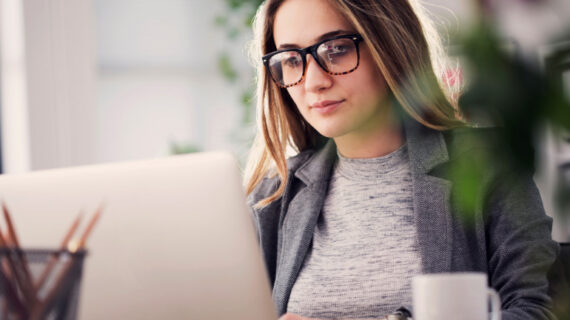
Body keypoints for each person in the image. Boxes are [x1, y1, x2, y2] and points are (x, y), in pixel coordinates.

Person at [243, 0, 560, 319]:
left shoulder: (486, 164)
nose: (313, 82)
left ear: (389, 45)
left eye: (336, 49)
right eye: (291, 59)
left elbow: (538, 310)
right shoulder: (274, 196)